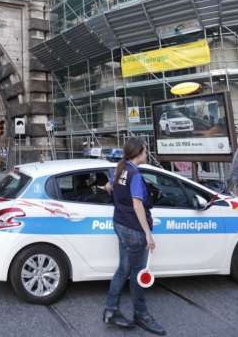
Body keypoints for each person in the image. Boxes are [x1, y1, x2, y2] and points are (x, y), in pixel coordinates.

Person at [103, 137, 165, 335]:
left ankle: (111, 311)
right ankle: (141, 314)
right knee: (137, 274)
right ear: (138, 153)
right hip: (133, 229)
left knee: (123, 270)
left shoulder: (121, 169)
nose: (146, 154)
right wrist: (148, 234)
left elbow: (109, 186)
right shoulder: (135, 174)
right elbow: (138, 205)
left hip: (120, 224)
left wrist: (111, 190)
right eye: (145, 151)